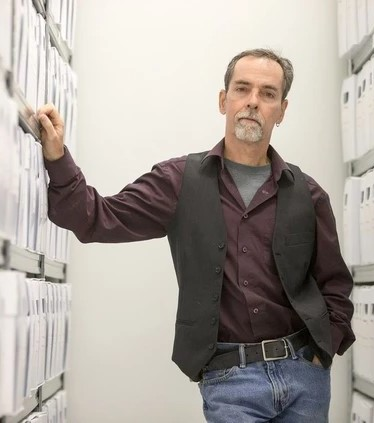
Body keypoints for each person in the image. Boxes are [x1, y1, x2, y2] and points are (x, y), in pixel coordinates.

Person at [37, 48, 355, 423]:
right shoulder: (178, 182)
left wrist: (324, 351)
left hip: (306, 378)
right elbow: (96, 219)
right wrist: (57, 157)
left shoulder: (309, 194)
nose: (253, 102)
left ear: (282, 110)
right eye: (242, 89)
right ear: (224, 100)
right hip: (230, 381)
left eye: (268, 94)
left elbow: (334, 283)